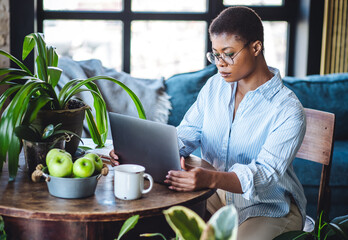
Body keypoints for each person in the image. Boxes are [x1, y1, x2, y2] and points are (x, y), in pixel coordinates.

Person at [110, 6, 306, 240]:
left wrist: (209, 177)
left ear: (256, 47)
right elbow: (186, 135)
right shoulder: (214, 87)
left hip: (269, 209)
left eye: (229, 53)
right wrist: (137, 154)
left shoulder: (288, 109)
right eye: (215, 54)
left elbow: (264, 174)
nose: (220, 63)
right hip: (215, 195)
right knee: (148, 222)